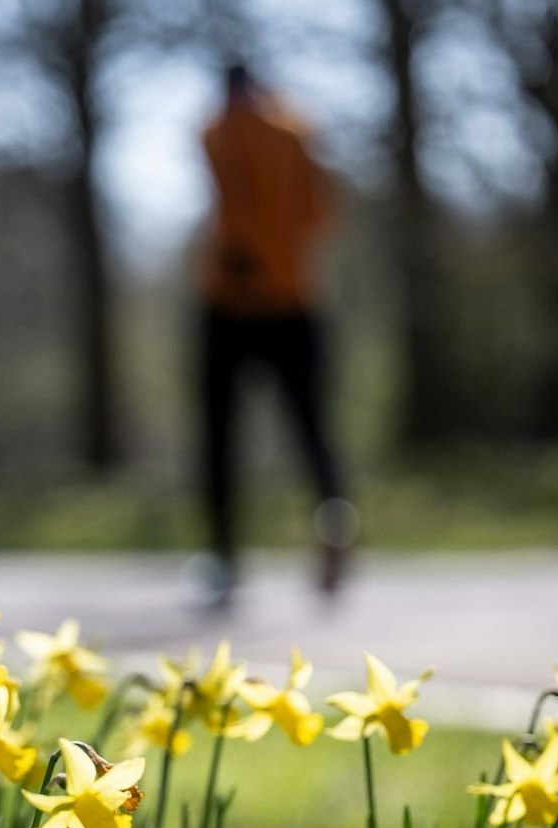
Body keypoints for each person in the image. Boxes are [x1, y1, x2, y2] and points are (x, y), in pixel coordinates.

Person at [195, 62, 355, 610]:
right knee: (312, 426)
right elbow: (320, 214)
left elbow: (232, 204)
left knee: (220, 435)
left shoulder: (217, 131)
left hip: (232, 299)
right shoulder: (297, 129)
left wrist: (248, 251)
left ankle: (224, 557)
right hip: (294, 298)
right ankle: (334, 516)